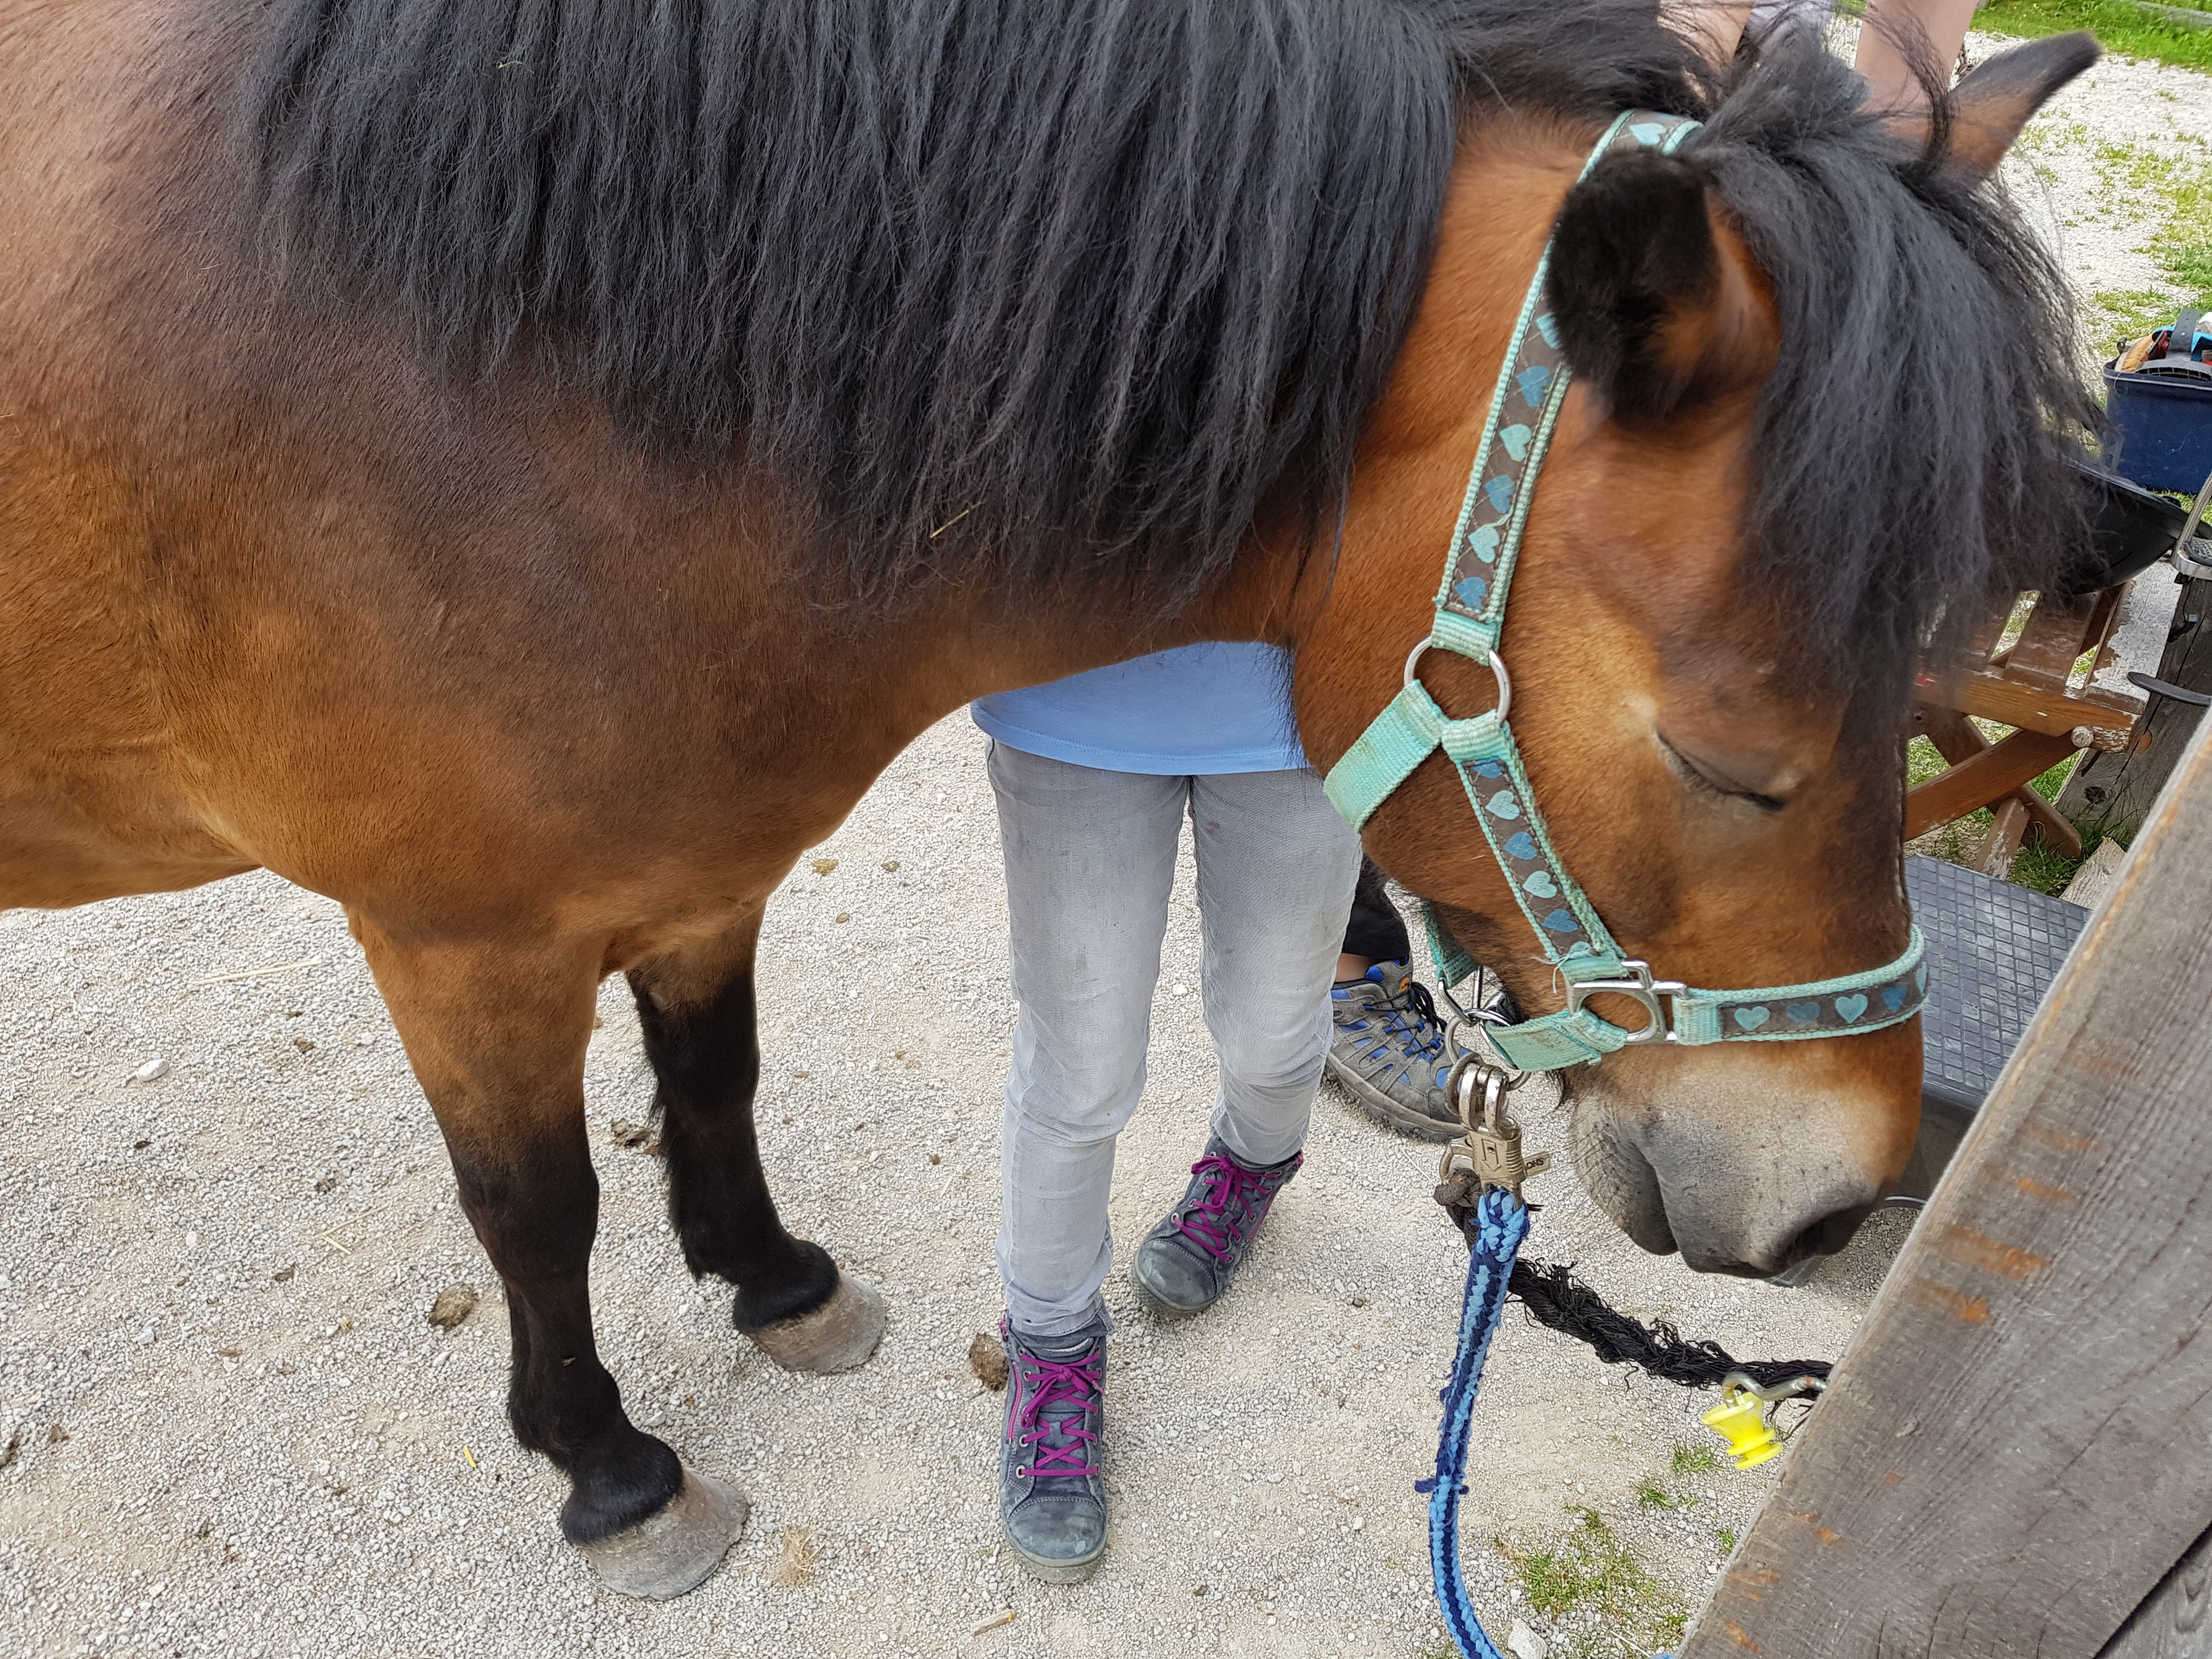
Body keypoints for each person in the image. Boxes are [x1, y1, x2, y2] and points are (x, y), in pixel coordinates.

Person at [972, 640, 1361, 1582]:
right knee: (1080, 1070)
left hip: (1308, 702)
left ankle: (1250, 1168)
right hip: (1076, 697)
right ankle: (1053, 1345)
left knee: (1277, 1032)